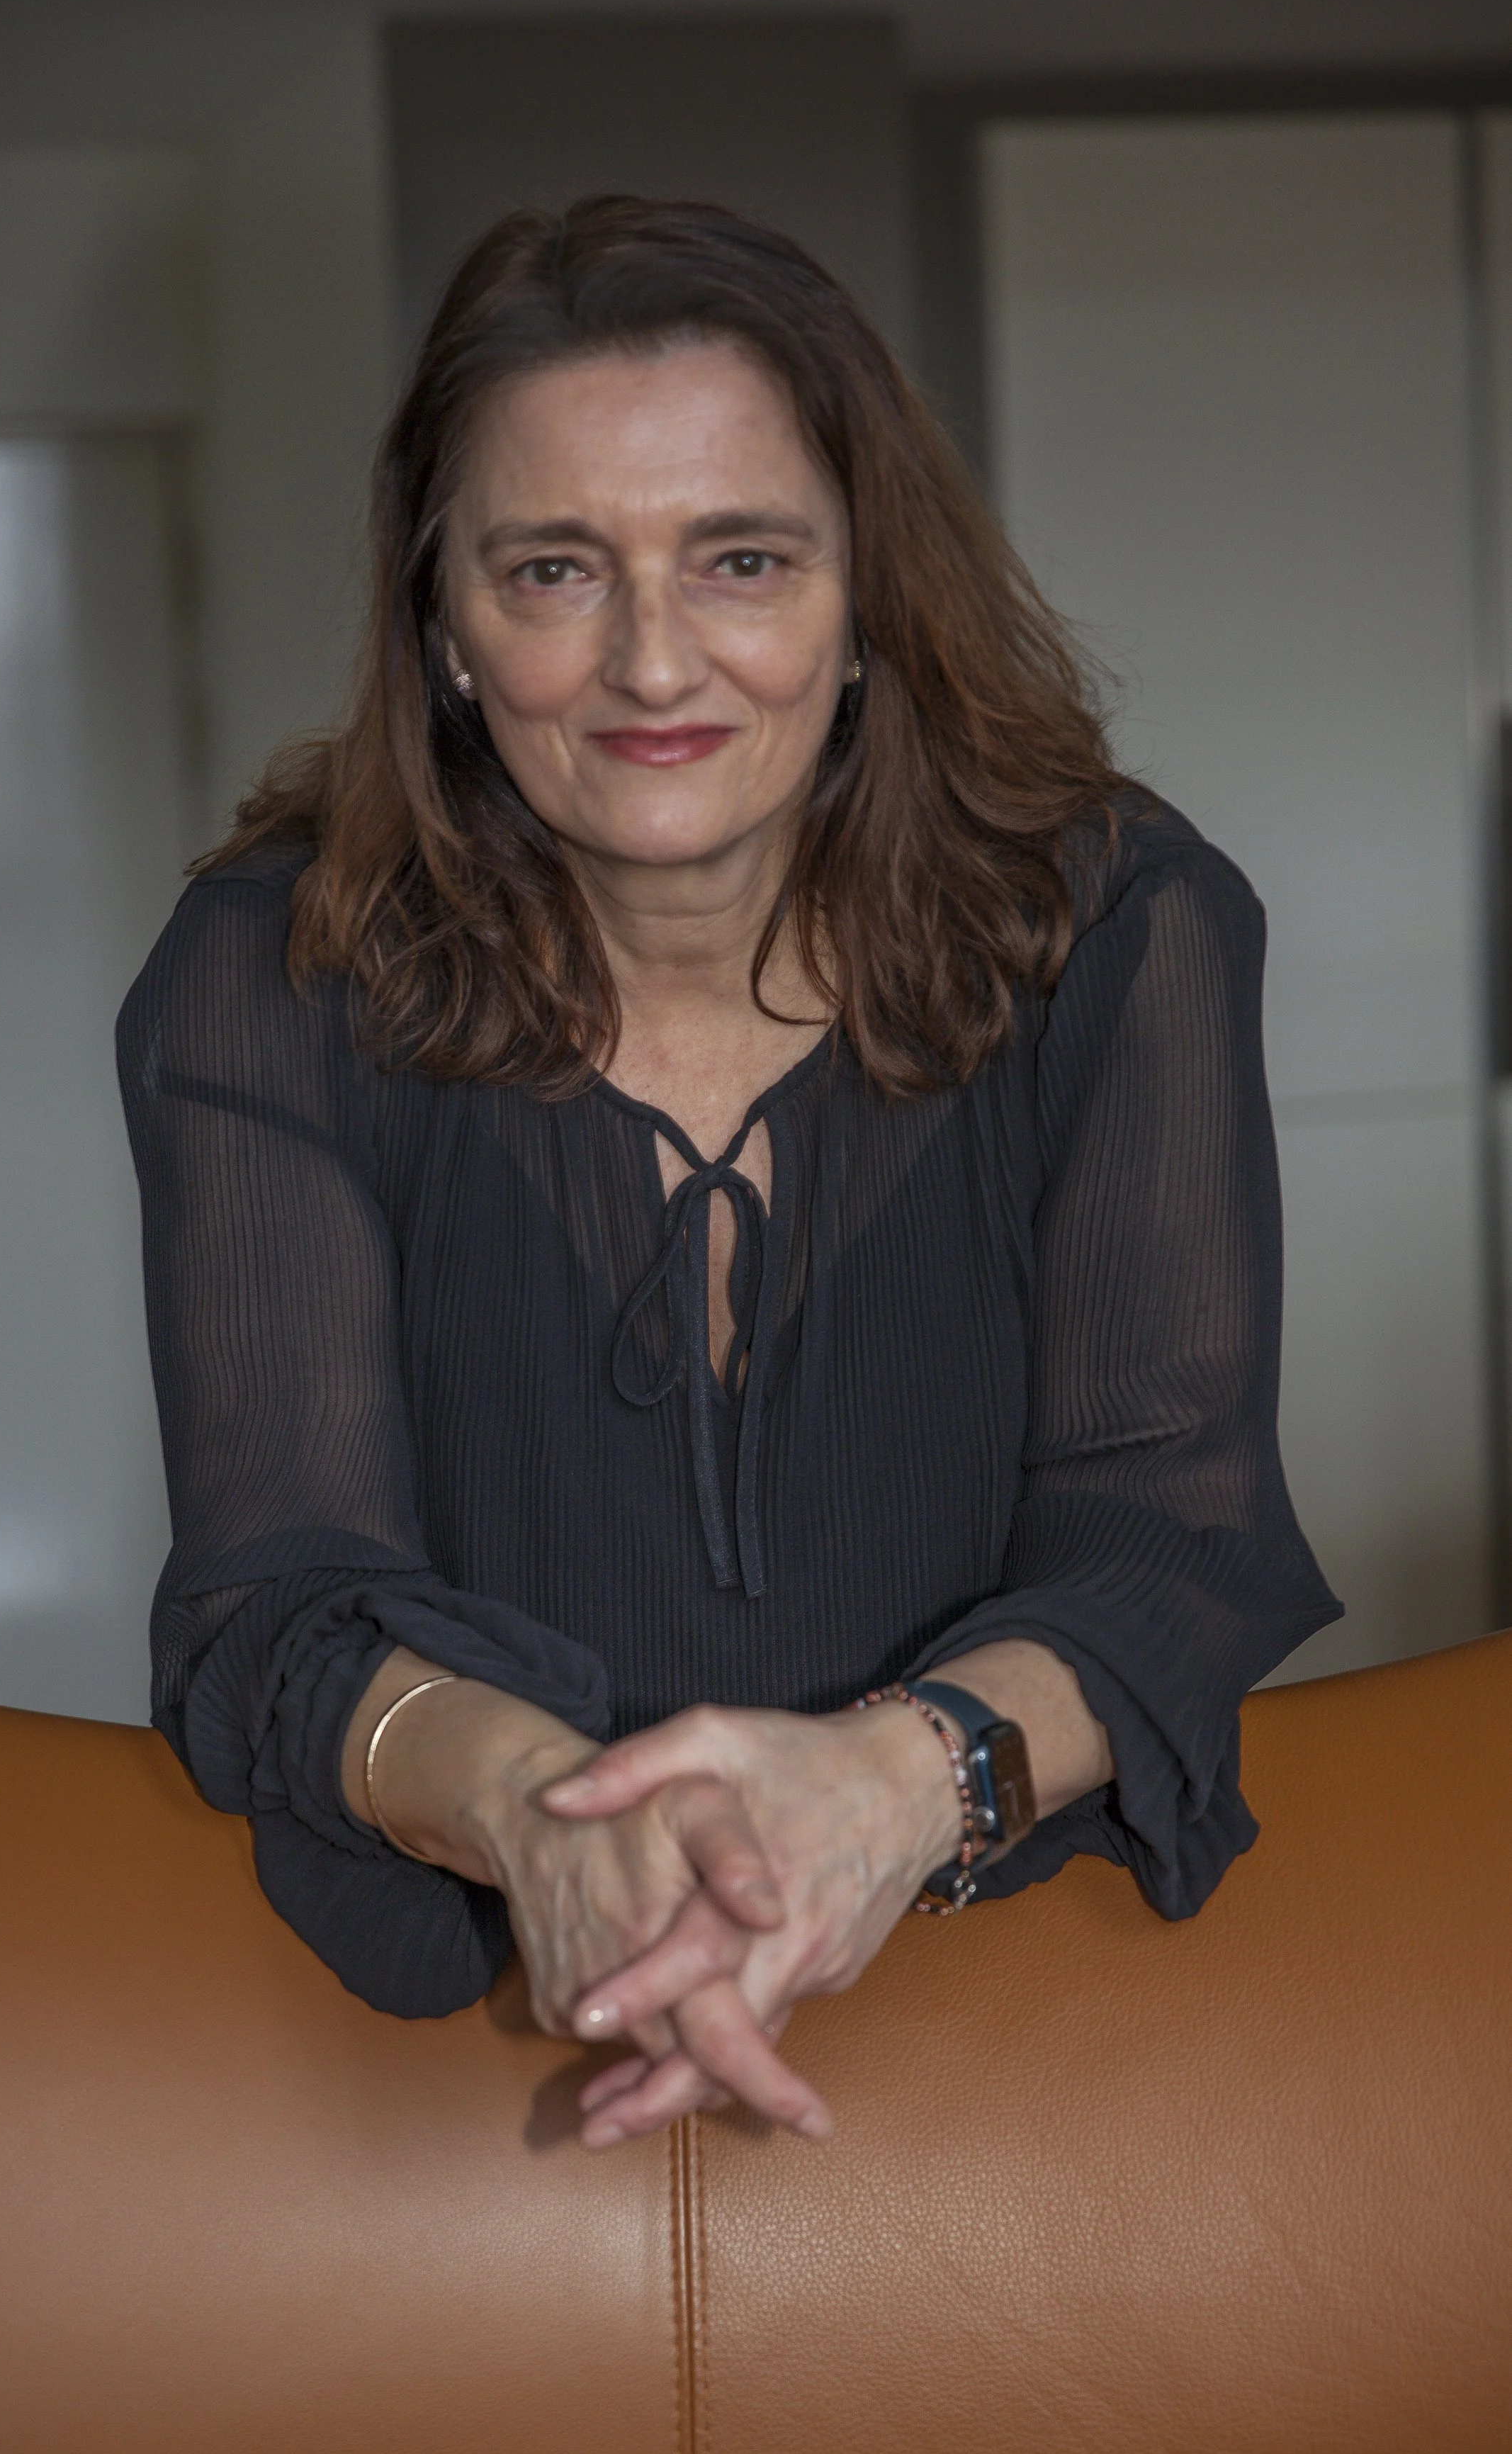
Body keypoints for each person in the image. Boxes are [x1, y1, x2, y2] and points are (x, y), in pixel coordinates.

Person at [118, 195, 1338, 2156]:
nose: (653, 658)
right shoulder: (270, 978)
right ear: (441, 614)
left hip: (1014, 2012)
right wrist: (542, 1817)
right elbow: (276, 1598)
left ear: (864, 589)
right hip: (458, 2047)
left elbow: (1173, 1542)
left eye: (742, 557)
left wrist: (878, 1791)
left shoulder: (1119, 931)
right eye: (551, 570)